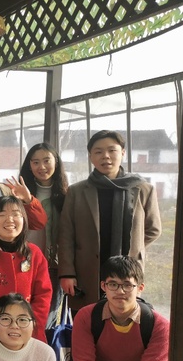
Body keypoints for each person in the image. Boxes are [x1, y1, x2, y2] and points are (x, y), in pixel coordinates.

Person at [58, 130, 161, 311]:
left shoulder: (143, 189)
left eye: (112, 150)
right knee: (87, 319)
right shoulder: (77, 191)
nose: (105, 156)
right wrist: (67, 273)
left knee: (124, 318)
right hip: (87, 271)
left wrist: (134, 246)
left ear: (122, 153)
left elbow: (153, 229)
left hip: (127, 270)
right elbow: (66, 234)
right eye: (98, 151)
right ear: (90, 156)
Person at [0, 196, 52, 343]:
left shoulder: (34, 253)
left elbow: (43, 295)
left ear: (24, 219)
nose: (9, 219)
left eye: (16, 214)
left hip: (29, 337)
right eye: (2, 215)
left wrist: (30, 329)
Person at [19, 143, 68, 320]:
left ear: (56, 162)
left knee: (46, 317)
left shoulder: (68, 195)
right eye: (35, 162)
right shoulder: (19, 193)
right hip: (24, 263)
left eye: (47, 161)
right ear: (29, 166)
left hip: (53, 266)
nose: (42, 167)